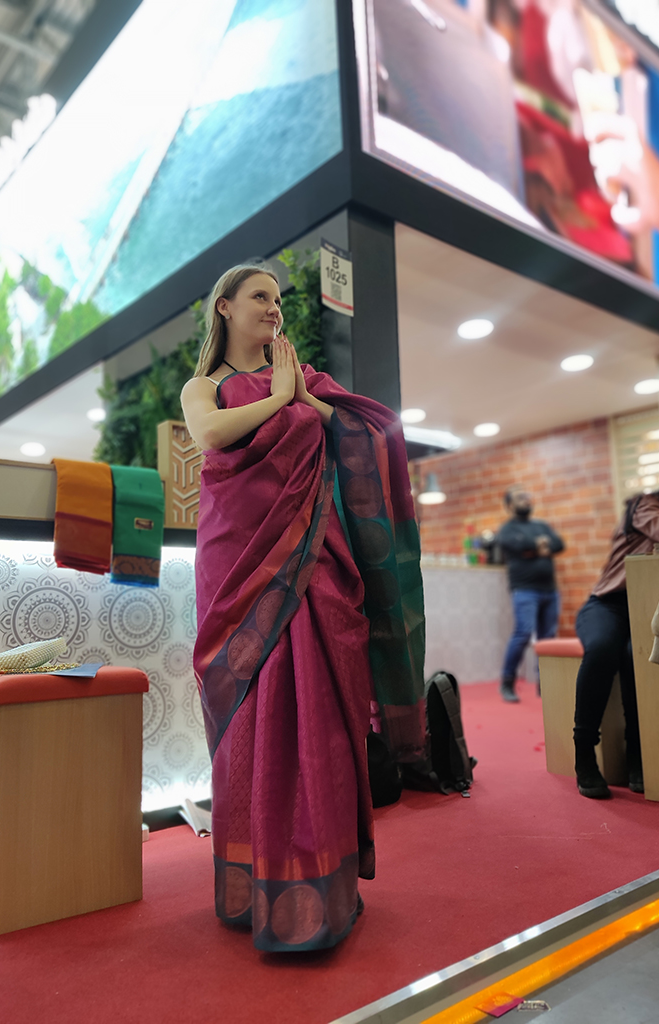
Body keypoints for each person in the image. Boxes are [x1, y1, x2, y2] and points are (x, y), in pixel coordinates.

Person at [181, 264, 426, 952]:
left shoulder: (305, 378)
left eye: (279, 299)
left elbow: (369, 435)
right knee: (252, 717)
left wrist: (301, 396)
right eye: (260, 296)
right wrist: (280, 399)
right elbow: (210, 435)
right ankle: (252, 886)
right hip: (238, 564)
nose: (274, 307)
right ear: (224, 307)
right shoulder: (205, 386)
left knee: (322, 713)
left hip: (315, 563)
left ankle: (326, 885)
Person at [573, 471, 659, 799]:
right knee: (603, 648)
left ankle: (637, 753)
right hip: (608, 604)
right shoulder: (645, 504)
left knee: (640, 655)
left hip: (650, 606)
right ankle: (584, 754)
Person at [497, 486, 565, 702]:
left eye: (527, 496)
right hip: (524, 590)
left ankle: (545, 684)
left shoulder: (541, 525)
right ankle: (507, 682)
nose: (526, 500)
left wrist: (532, 548)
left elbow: (559, 544)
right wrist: (539, 545)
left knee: (548, 638)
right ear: (509, 505)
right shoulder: (507, 529)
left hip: (550, 590)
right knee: (524, 633)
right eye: (520, 498)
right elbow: (514, 544)